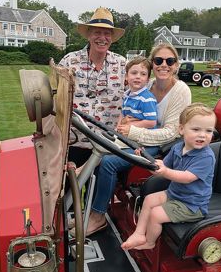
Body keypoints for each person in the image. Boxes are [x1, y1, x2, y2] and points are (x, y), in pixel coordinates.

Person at [72, 43, 192, 236]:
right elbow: (134, 111)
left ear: (176, 65)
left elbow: (170, 132)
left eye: (169, 61)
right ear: (152, 64)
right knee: (100, 146)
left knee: (108, 162)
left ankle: (98, 216)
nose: (164, 65)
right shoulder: (147, 85)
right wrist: (128, 123)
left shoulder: (181, 91)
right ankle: (89, 210)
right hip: (137, 139)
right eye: (158, 60)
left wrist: (132, 131)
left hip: (161, 146)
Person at [121, 103, 216, 250]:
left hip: (192, 205)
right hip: (175, 194)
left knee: (156, 214)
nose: (202, 135)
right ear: (181, 129)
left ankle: (149, 242)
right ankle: (139, 233)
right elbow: (161, 168)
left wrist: (164, 171)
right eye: (196, 129)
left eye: (208, 131)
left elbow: (187, 177)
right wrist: (146, 160)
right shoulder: (178, 148)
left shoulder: (206, 157)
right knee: (149, 199)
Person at [59, 7, 126, 167]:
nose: (102, 38)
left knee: (98, 190)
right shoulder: (69, 62)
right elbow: (55, 98)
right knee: (69, 188)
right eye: (97, 32)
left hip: (106, 144)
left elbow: (140, 89)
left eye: (107, 33)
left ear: (112, 38)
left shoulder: (122, 64)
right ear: (88, 35)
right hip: (74, 142)